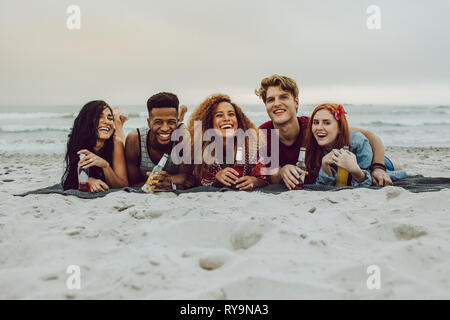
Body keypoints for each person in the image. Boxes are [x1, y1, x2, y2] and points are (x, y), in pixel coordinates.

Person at [255, 74, 394, 190]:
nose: (277, 103)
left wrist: (378, 167)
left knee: (388, 167)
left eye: (283, 97)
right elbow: (272, 176)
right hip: (327, 172)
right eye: (270, 100)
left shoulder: (312, 126)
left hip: (361, 160)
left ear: (296, 102)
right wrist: (283, 170)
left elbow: (371, 137)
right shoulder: (264, 134)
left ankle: (392, 162)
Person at [305, 103, 407, 186]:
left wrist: (354, 170)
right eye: (315, 122)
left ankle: (393, 161)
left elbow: (366, 181)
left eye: (327, 123)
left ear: (340, 128)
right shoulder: (313, 145)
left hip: (371, 161)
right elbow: (322, 184)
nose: (319, 127)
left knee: (389, 170)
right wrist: (325, 165)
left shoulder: (358, 142)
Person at [187, 94, 268, 190]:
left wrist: (255, 181)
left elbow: (265, 178)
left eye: (231, 114)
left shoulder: (251, 145)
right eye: (219, 115)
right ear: (209, 121)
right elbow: (194, 180)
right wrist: (217, 176)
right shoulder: (200, 148)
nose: (226, 118)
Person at [124, 92, 194, 189]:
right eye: (158, 122)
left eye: (171, 122)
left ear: (177, 122)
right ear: (149, 123)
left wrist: (169, 180)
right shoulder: (135, 140)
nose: (165, 128)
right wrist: (162, 182)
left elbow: (187, 180)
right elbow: (132, 184)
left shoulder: (182, 138)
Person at [62, 100, 128, 192]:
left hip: (117, 142)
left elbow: (123, 185)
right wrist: (87, 180)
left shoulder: (116, 143)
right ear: (87, 121)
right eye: (99, 117)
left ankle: (118, 122)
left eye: (110, 118)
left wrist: (105, 166)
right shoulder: (77, 141)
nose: (107, 121)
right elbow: (71, 179)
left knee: (123, 143)